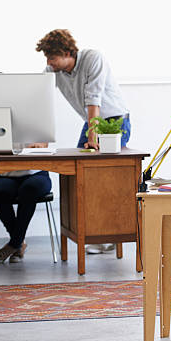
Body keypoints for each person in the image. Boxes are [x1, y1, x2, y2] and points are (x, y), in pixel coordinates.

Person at [36, 29, 131, 255]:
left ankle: (105, 236)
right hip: (92, 122)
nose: (49, 62)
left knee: (102, 181)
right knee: (78, 179)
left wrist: (92, 138)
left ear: (68, 52)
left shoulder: (93, 58)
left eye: (53, 57)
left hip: (115, 122)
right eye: (47, 57)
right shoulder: (53, 71)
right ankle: (86, 232)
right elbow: (38, 95)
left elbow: (93, 99)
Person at [0, 145, 52, 263]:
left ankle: (13, 244)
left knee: (29, 190)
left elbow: (44, 143)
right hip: (5, 173)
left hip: (36, 173)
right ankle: (19, 243)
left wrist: (37, 145)